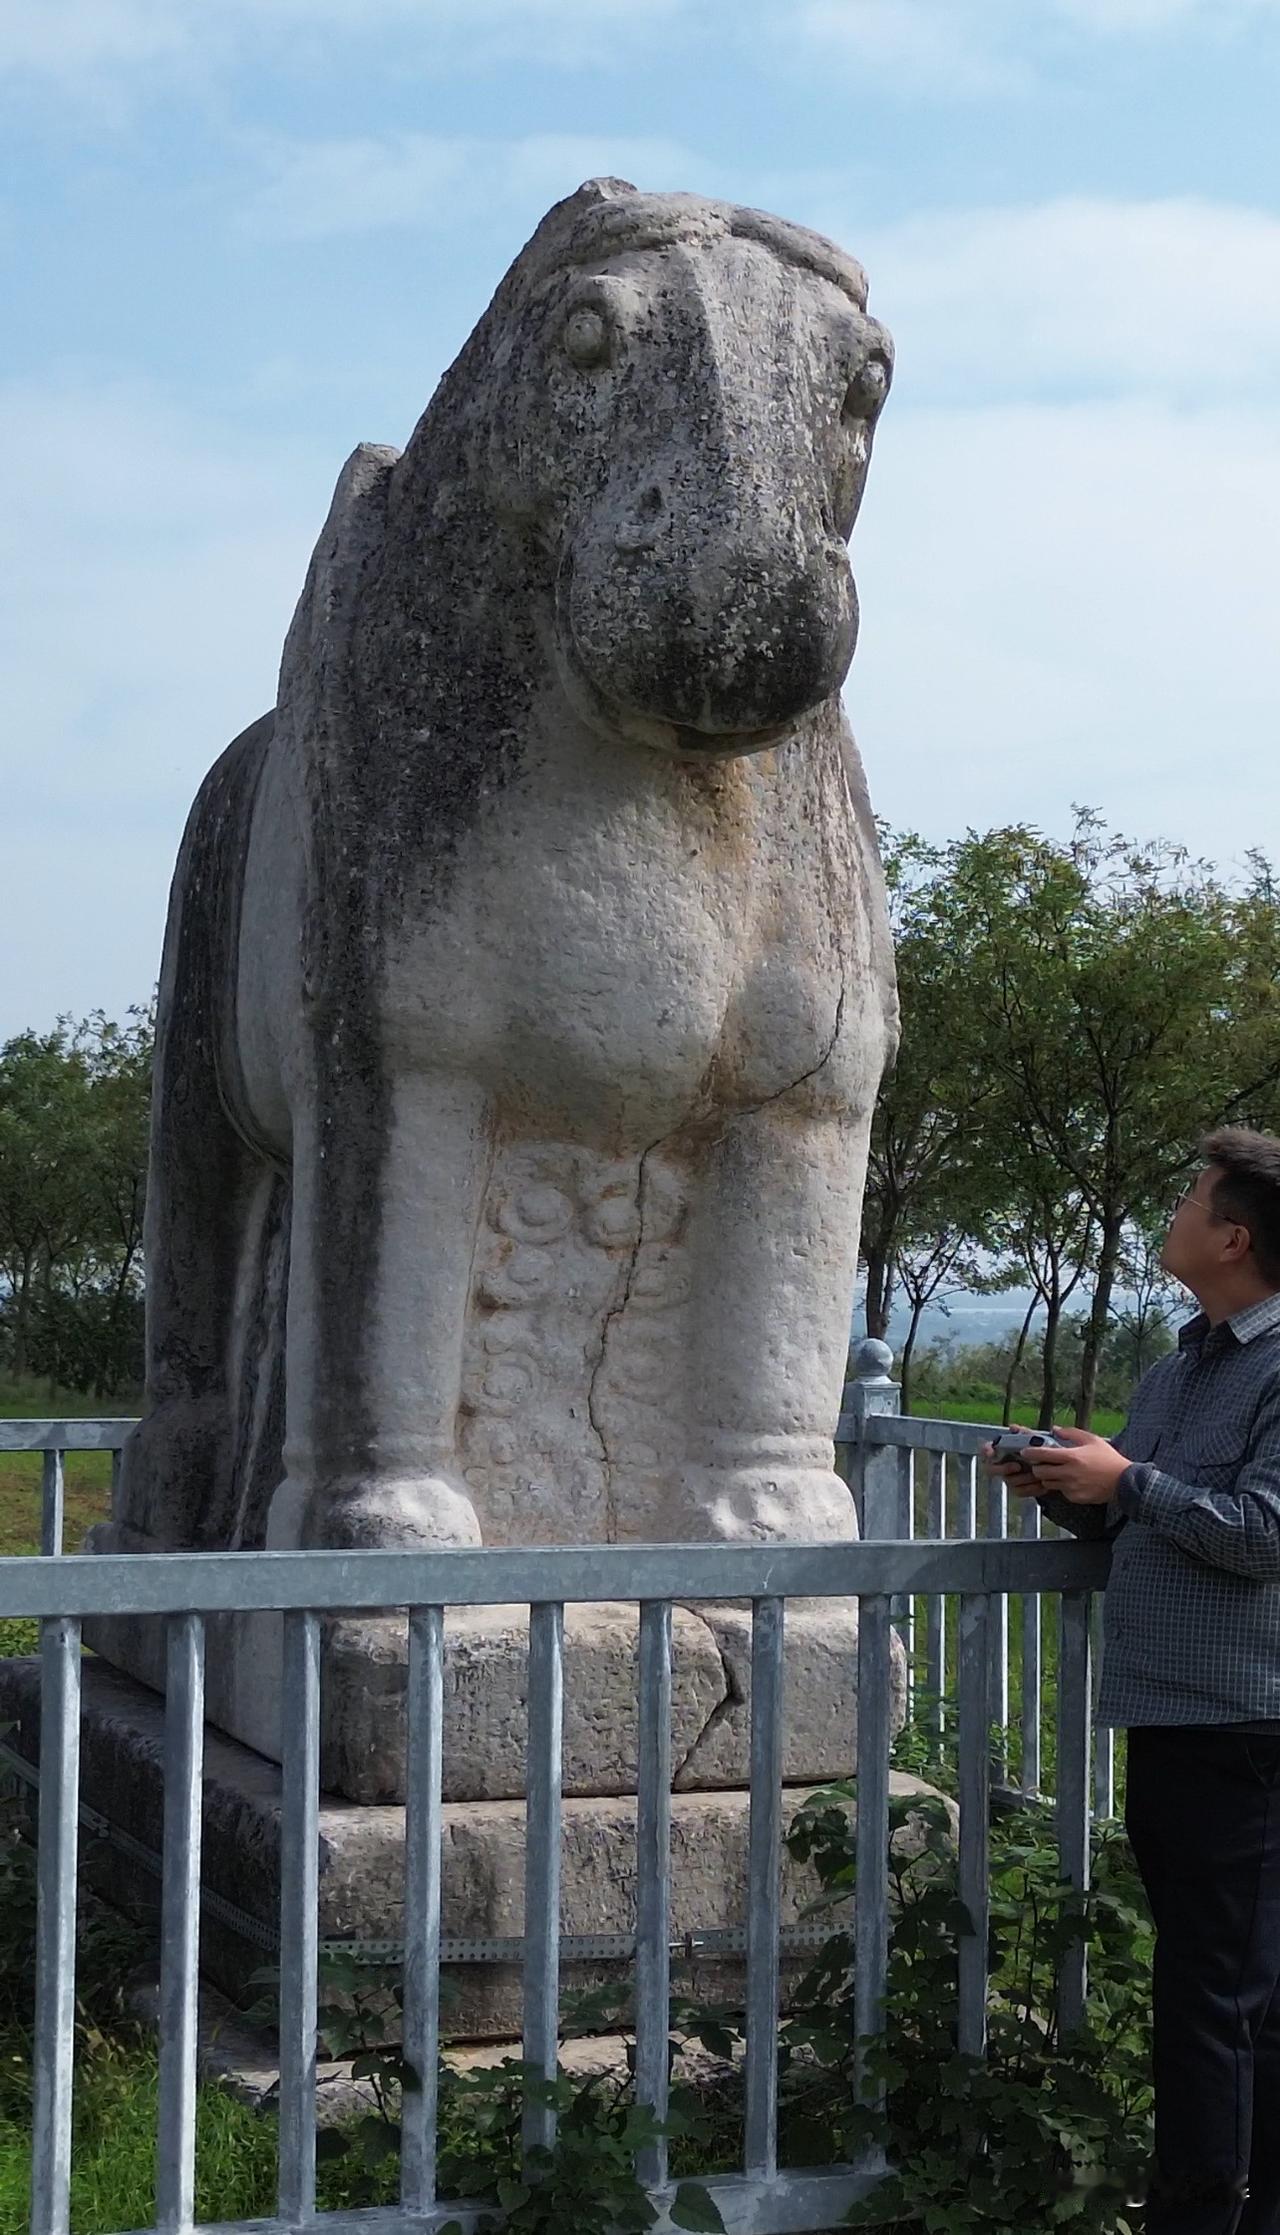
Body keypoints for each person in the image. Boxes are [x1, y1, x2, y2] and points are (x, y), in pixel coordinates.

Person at [984, 1127, 1280, 2235]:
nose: (1175, 1210)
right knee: (1234, 1992)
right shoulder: (1181, 1361)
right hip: (1175, 1717)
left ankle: (1198, 2214)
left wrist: (1130, 1477)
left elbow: (1262, 1534)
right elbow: (1134, 1510)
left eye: (1191, 1195)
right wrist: (1067, 1483)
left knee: (1210, 1999)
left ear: (1233, 1236)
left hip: (1246, 1723)